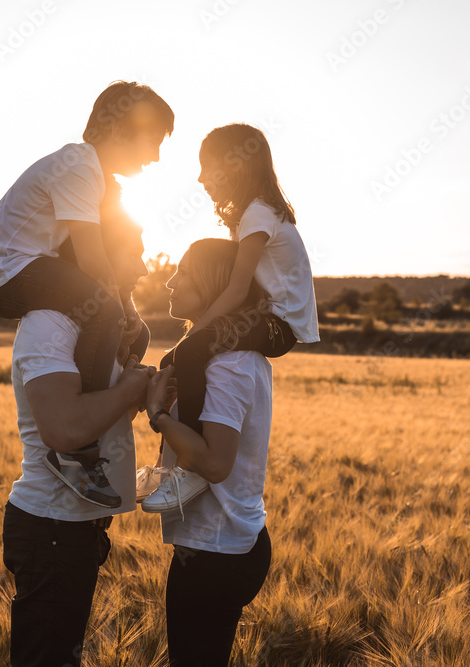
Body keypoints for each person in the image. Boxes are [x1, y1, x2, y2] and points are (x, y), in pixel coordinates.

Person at [0, 80, 174, 508]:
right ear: (119, 130)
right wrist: (120, 310)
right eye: (153, 141)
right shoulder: (80, 165)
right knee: (106, 310)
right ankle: (74, 453)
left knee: (133, 332)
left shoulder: (98, 176)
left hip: (31, 265)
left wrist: (130, 320)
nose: (156, 155)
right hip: (7, 271)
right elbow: (92, 259)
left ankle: (98, 409)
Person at [142, 123, 319, 514]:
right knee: (176, 360)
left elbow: (237, 290)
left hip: (277, 325)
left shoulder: (258, 213)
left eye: (208, 167)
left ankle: (190, 468)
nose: (202, 178)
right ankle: (165, 467)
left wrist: (196, 336)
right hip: (267, 318)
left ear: (235, 166)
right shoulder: (254, 214)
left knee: (188, 354)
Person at [1, 214, 154, 667]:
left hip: (77, 529)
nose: (145, 269)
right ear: (99, 254)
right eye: (136, 253)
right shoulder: (50, 325)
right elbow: (65, 429)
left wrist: (144, 393)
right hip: (52, 529)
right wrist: (130, 388)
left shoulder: (98, 332)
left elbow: (100, 416)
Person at [144, 238, 276, 666]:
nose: (170, 280)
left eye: (184, 272)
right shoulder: (220, 360)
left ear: (215, 284)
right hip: (224, 544)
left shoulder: (228, 365)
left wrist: (158, 416)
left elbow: (216, 464)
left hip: (215, 553)